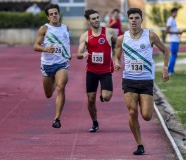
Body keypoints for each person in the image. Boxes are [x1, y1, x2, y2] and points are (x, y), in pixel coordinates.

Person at [114, 8, 170, 155]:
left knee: (146, 115)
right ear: (128, 20)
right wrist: (117, 62)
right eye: (131, 18)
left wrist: (165, 68)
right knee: (132, 112)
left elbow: (166, 51)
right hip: (129, 80)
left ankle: (142, 117)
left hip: (146, 80)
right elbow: (117, 54)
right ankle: (139, 144)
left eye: (136, 18)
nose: (133, 20)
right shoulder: (122, 38)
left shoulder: (150, 36)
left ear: (141, 20)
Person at [76, 9, 117, 132]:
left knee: (107, 97)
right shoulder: (85, 36)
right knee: (91, 99)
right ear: (89, 21)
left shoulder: (108, 32)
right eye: (93, 18)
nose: (97, 20)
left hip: (105, 71)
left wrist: (118, 57)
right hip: (92, 71)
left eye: (97, 17)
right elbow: (78, 53)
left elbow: (121, 42)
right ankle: (94, 122)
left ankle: (103, 93)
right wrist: (82, 55)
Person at [34, 3, 71, 128]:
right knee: (48, 94)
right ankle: (54, 80)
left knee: (61, 87)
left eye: (56, 13)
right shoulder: (44, 29)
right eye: (51, 14)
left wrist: (68, 53)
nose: (54, 15)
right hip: (47, 65)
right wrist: (45, 49)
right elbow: (36, 46)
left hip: (61, 64)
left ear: (59, 14)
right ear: (48, 17)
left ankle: (57, 118)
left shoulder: (66, 28)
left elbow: (65, 43)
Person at [166, 8, 183, 75]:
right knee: (173, 55)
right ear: (172, 12)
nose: (176, 14)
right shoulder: (170, 20)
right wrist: (178, 33)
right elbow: (167, 31)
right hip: (173, 41)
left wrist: (179, 32)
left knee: (174, 55)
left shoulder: (173, 20)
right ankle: (170, 71)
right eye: (175, 12)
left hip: (175, 40)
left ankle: (171, 70)